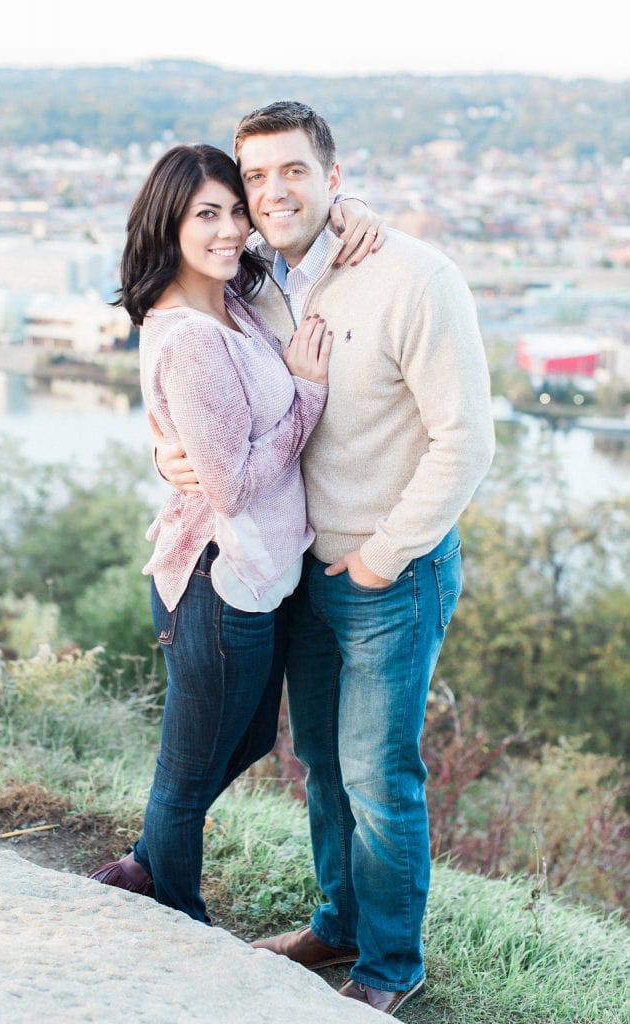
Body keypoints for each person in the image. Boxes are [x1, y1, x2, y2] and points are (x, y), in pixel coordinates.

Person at [155, 102, 495, 1013]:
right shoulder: (251, 279)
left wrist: (384, 555)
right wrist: (165, 452)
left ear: (333, 178)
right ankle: (336, 922)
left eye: (292, 171)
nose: (272, 192)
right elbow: (197, 379)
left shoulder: (414, 277)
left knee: (379, 778)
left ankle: (389, 967)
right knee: (322, 766)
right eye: (254, 175)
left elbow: (465, 442)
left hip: (392, 572)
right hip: (301, 565)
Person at [88, 143, 380, 923]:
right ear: (168, 226)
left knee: (246, 740)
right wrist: (308, 395)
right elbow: (232, 485)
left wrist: (350, 210)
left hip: (260, 575)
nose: (228, 231)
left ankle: (149, 857)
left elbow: (305, 225)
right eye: (204, 216)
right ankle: (180, 924)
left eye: (233, 212)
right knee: (185, 779)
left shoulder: (232, 294)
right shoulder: (189, 335)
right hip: (216, 581)